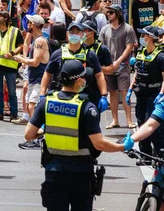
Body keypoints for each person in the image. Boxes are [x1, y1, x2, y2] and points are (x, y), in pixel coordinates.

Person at [25, 59, 125, 211]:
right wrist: (122, 147)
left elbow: (29, 135)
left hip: (54, 170)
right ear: (79, 80)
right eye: (84, 78)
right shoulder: (86, 107)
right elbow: (99, 143)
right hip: (81, 173)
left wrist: (48, 129)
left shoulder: (47, 102)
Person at [40, 22, 108, 113]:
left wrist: (104, 95)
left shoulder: (90, 55)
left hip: (85, 96)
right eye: (72, 32)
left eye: (77, 32)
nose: (74, 34)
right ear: (67, 34)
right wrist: (42, 94)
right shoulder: (58, 54)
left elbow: (99, 75)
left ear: (82, 34)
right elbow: (47, 74)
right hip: (62, 97)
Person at [126, 26, 164, 163]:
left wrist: (161, 94)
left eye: (145, 36)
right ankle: (145, 155)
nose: (142, 38)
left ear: (152, 38)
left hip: (154, 93)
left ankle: (159, 153)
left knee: (152, 122)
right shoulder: (140, 53)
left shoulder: (160, 56)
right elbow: (136, 72)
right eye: (141, 36)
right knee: (141, 121)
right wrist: (130, 89)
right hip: (141, 92)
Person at [14, 15, 50, 148]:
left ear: (34, 25)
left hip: (40, 78)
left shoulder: (40, 41)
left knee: (32, 106)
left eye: (29, 23)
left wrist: (21, 60)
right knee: (30, 105)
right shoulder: (36, 40)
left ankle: (39, 135)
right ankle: (37, 136)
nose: (27, 25)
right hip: (35, 78)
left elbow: (35, 62)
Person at [99, 4, 137, 129]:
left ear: (118, 14)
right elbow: (101, 47)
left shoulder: (127, 29)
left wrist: (119, 61)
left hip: (123, 66)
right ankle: (115, 120)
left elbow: (129, 47)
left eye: (111, 13)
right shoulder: (104, 30)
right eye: (107, 13)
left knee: (124, 92)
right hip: (109, 66)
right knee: (112, 93)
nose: (108, 15)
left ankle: (129, 120)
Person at [0, 11, 24, 122]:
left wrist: (12, 53)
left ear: (5, 18)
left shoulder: (14, 31)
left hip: (10, 65)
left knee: (12, 91)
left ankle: (14, 113)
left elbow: (21, 46)